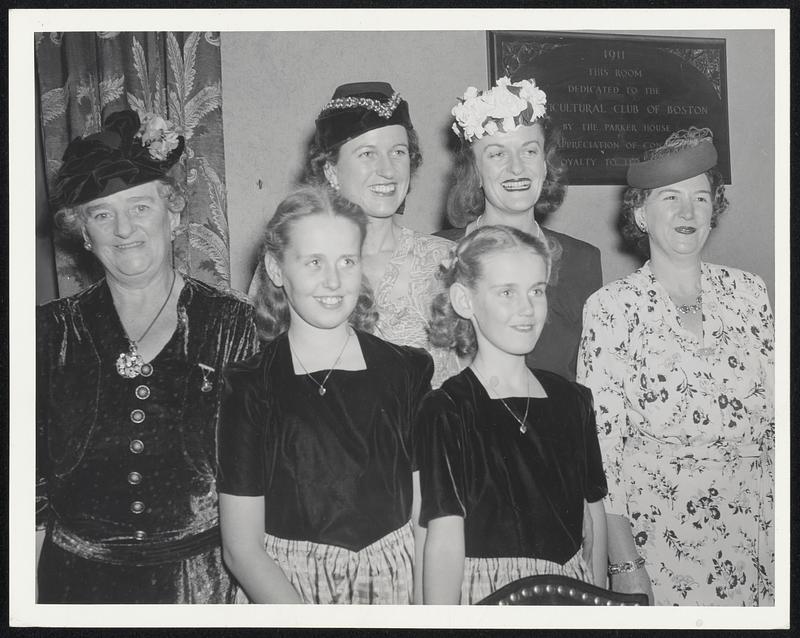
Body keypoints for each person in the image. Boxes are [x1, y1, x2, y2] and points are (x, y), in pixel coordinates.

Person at [36, 109, 259, 603]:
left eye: (139, 207)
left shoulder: (233, 324)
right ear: (85, 234)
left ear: (173, 215)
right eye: (102, 214)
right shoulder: (46, 332)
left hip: (200, 582)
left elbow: (258, 475)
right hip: (76, 583)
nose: (123, 229)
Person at [578, 127, 774, 606]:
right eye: (670, 198)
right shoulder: (612, 309)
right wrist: (623, 566)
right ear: (641, 213)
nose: (688, 213)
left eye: (701, 198)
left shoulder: (750, 293)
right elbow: (600, 456)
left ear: (714, 209)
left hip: (760, 538)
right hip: (662, 553)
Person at [218, 186, 433, 604]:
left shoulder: (406, 371)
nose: (333, 281)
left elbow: (426, 517)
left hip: (396, 584)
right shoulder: (250, 386)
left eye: (347, 261)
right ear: (277, 270)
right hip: (289, 592)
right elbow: (241, 550)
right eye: (314, 262)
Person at [418, 225, 608, 604]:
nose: (527, 309)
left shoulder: (573, 401)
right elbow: (443, 542)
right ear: (464, 300)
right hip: (488, 596)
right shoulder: (448, 409)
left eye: (536, 291)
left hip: (568, 591)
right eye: (507, 292)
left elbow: (595, 524)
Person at [249, 81, 459, 387]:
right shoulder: (289, 260)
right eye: (367, 154)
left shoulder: (447, 261)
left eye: (398, 152)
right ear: (331, 171)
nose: (388, 170)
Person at [437, 77, 602, 381]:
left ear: (544, 164)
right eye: (497, 154)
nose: (517, 168)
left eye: (529, 151)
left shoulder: (583, 262)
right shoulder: (437, 254)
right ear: (475, 170)